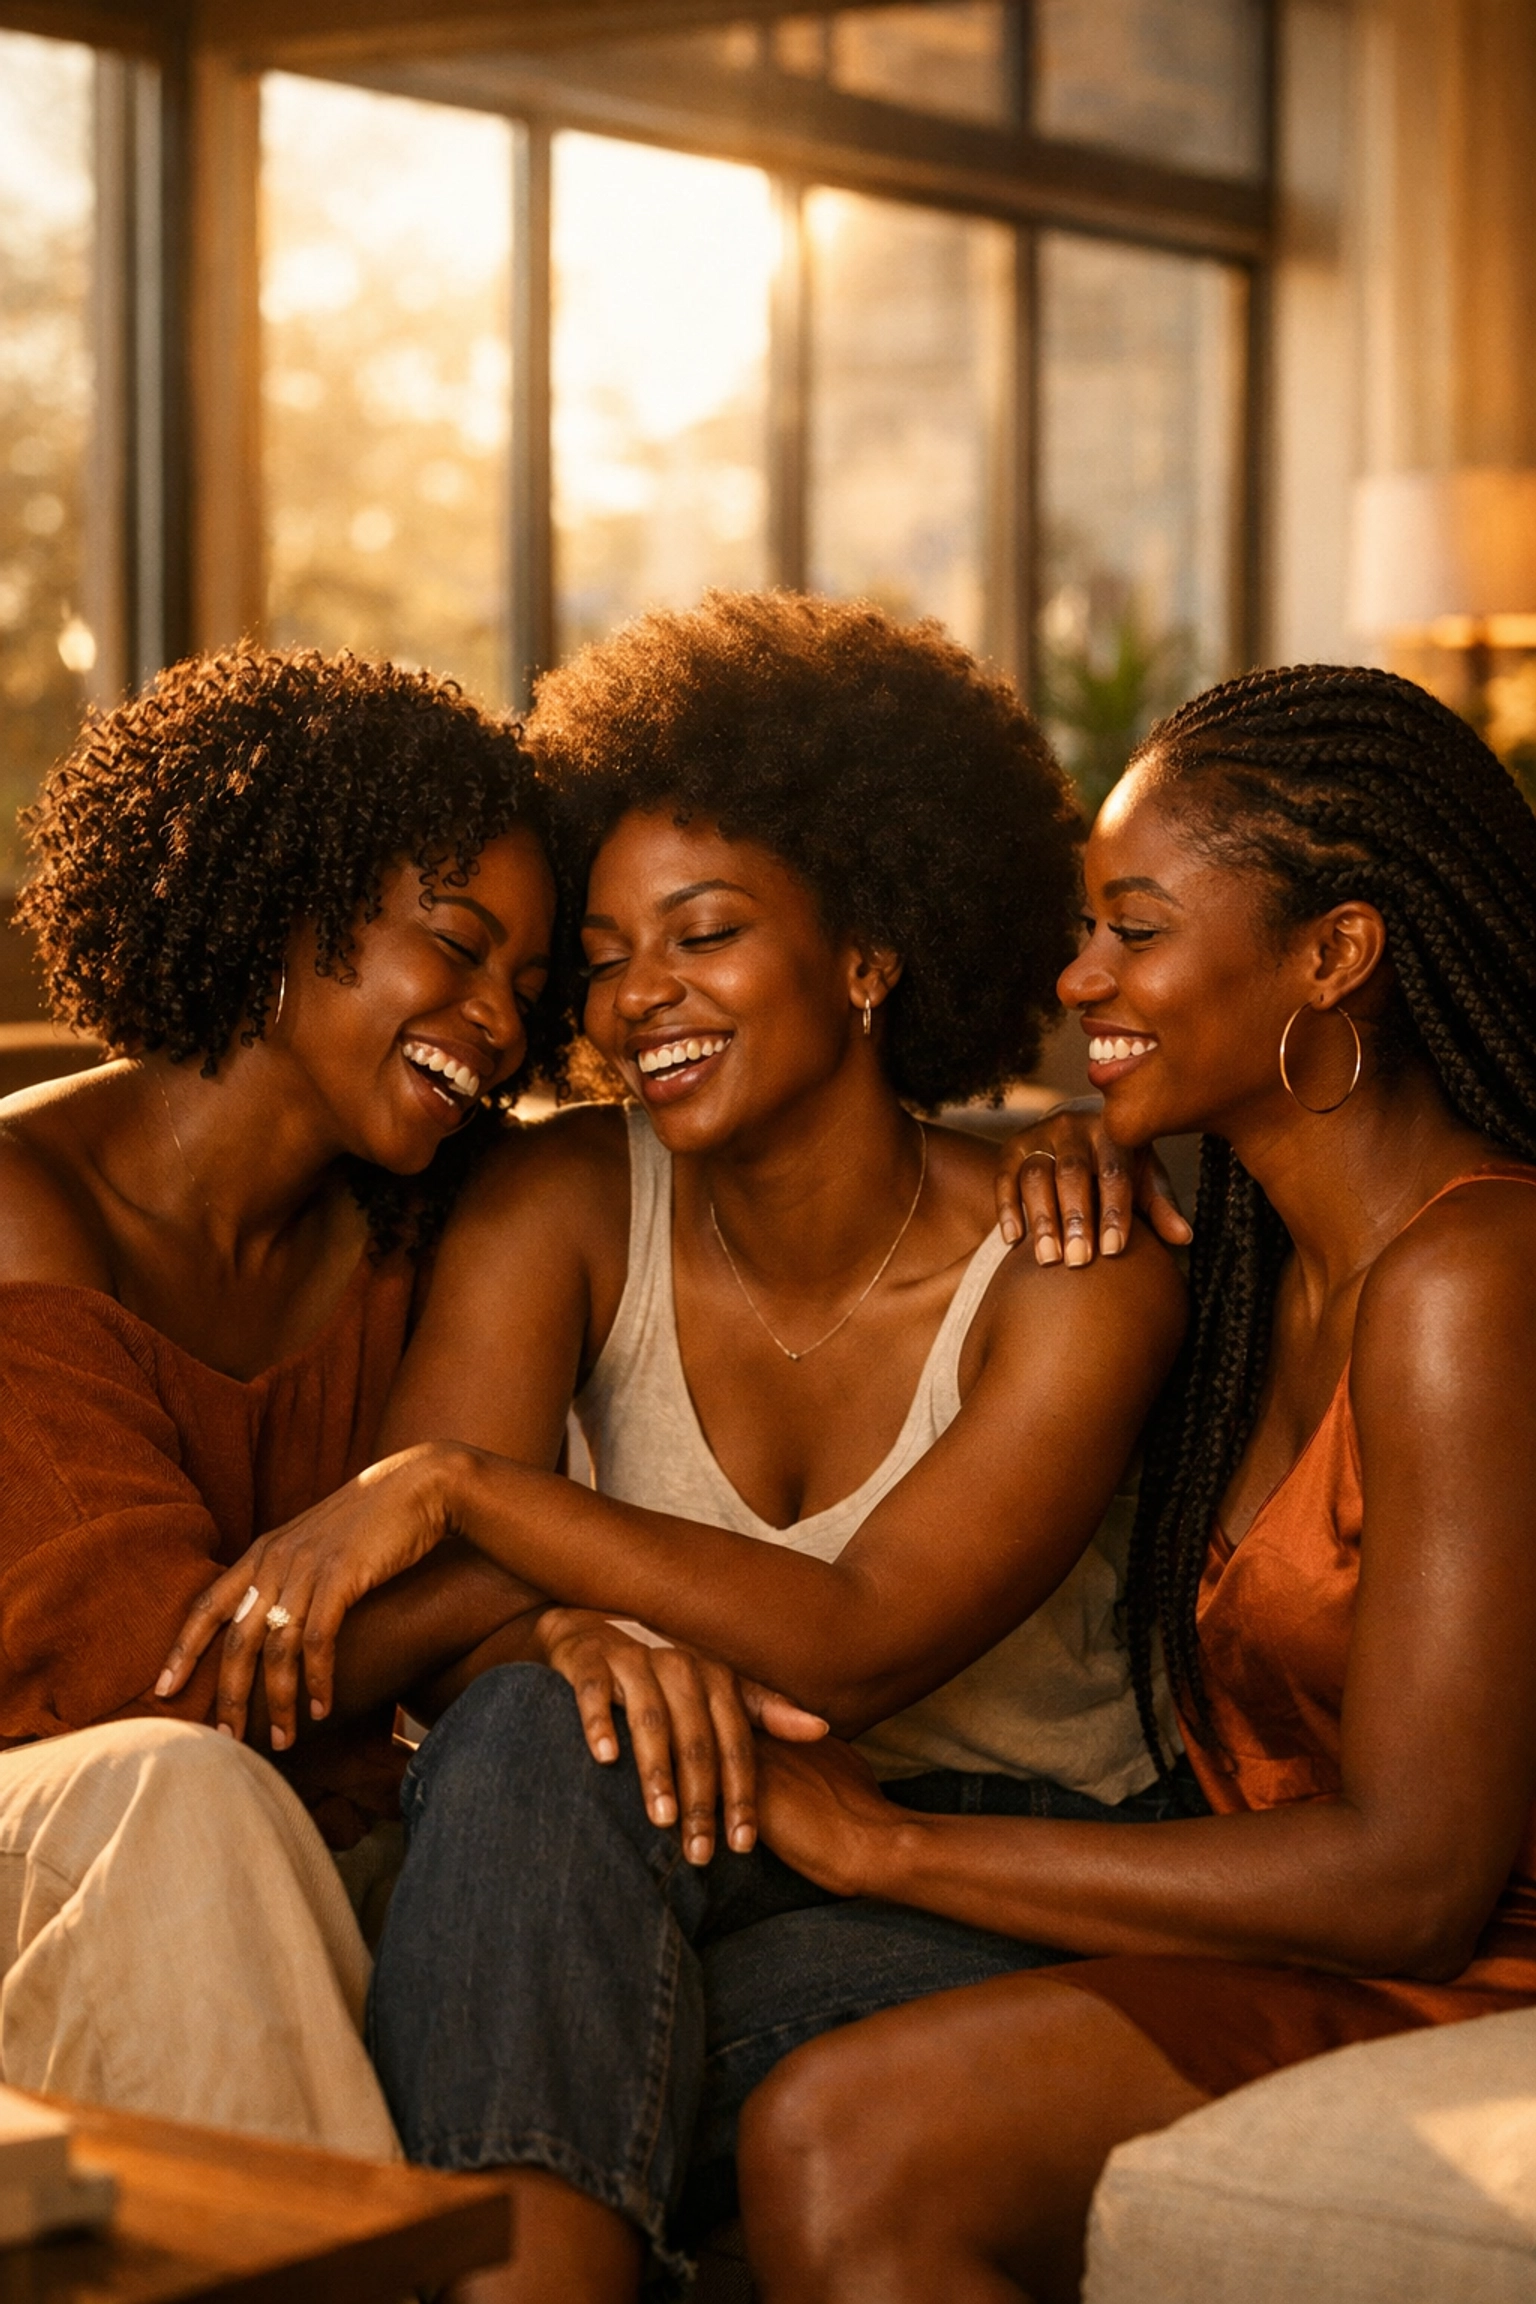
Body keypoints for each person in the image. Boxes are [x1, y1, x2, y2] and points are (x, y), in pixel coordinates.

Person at [161, 594, 1196, 2297]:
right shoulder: (565, 1201)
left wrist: (464, 1489)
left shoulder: (1070, 1259)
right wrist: (565, 1627)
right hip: (675, 1828)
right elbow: (424, 1622)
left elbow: (854, 1641)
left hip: (1003, 1867)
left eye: (703, 935)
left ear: (866, 951)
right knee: (527, 1727)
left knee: (494, 2023)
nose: (643, 999)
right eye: (609, 954)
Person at [701, 661, 1536, 2304]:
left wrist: (894, 1854)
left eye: (1135, 929)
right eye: (1088, 926)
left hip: (1457, 1963)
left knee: (841, 2138)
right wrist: (1078, 1139)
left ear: (1336, 954)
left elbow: (1417, 1880)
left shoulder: (1473, 1279)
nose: (1081, 973)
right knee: (689, 2002)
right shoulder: (1241, 1254)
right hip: (1287, 1931)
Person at [0, 645, 565, 2152]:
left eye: (528, 984)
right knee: (178, 1796)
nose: (498, 1022)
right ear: (281, 900)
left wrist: (1049, 1157)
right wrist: (527, 1552)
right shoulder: (22, 1203)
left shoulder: (425, 1224)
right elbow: (163, 1687)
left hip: (303, 1851)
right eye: (456, 943)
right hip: (62, 1845)